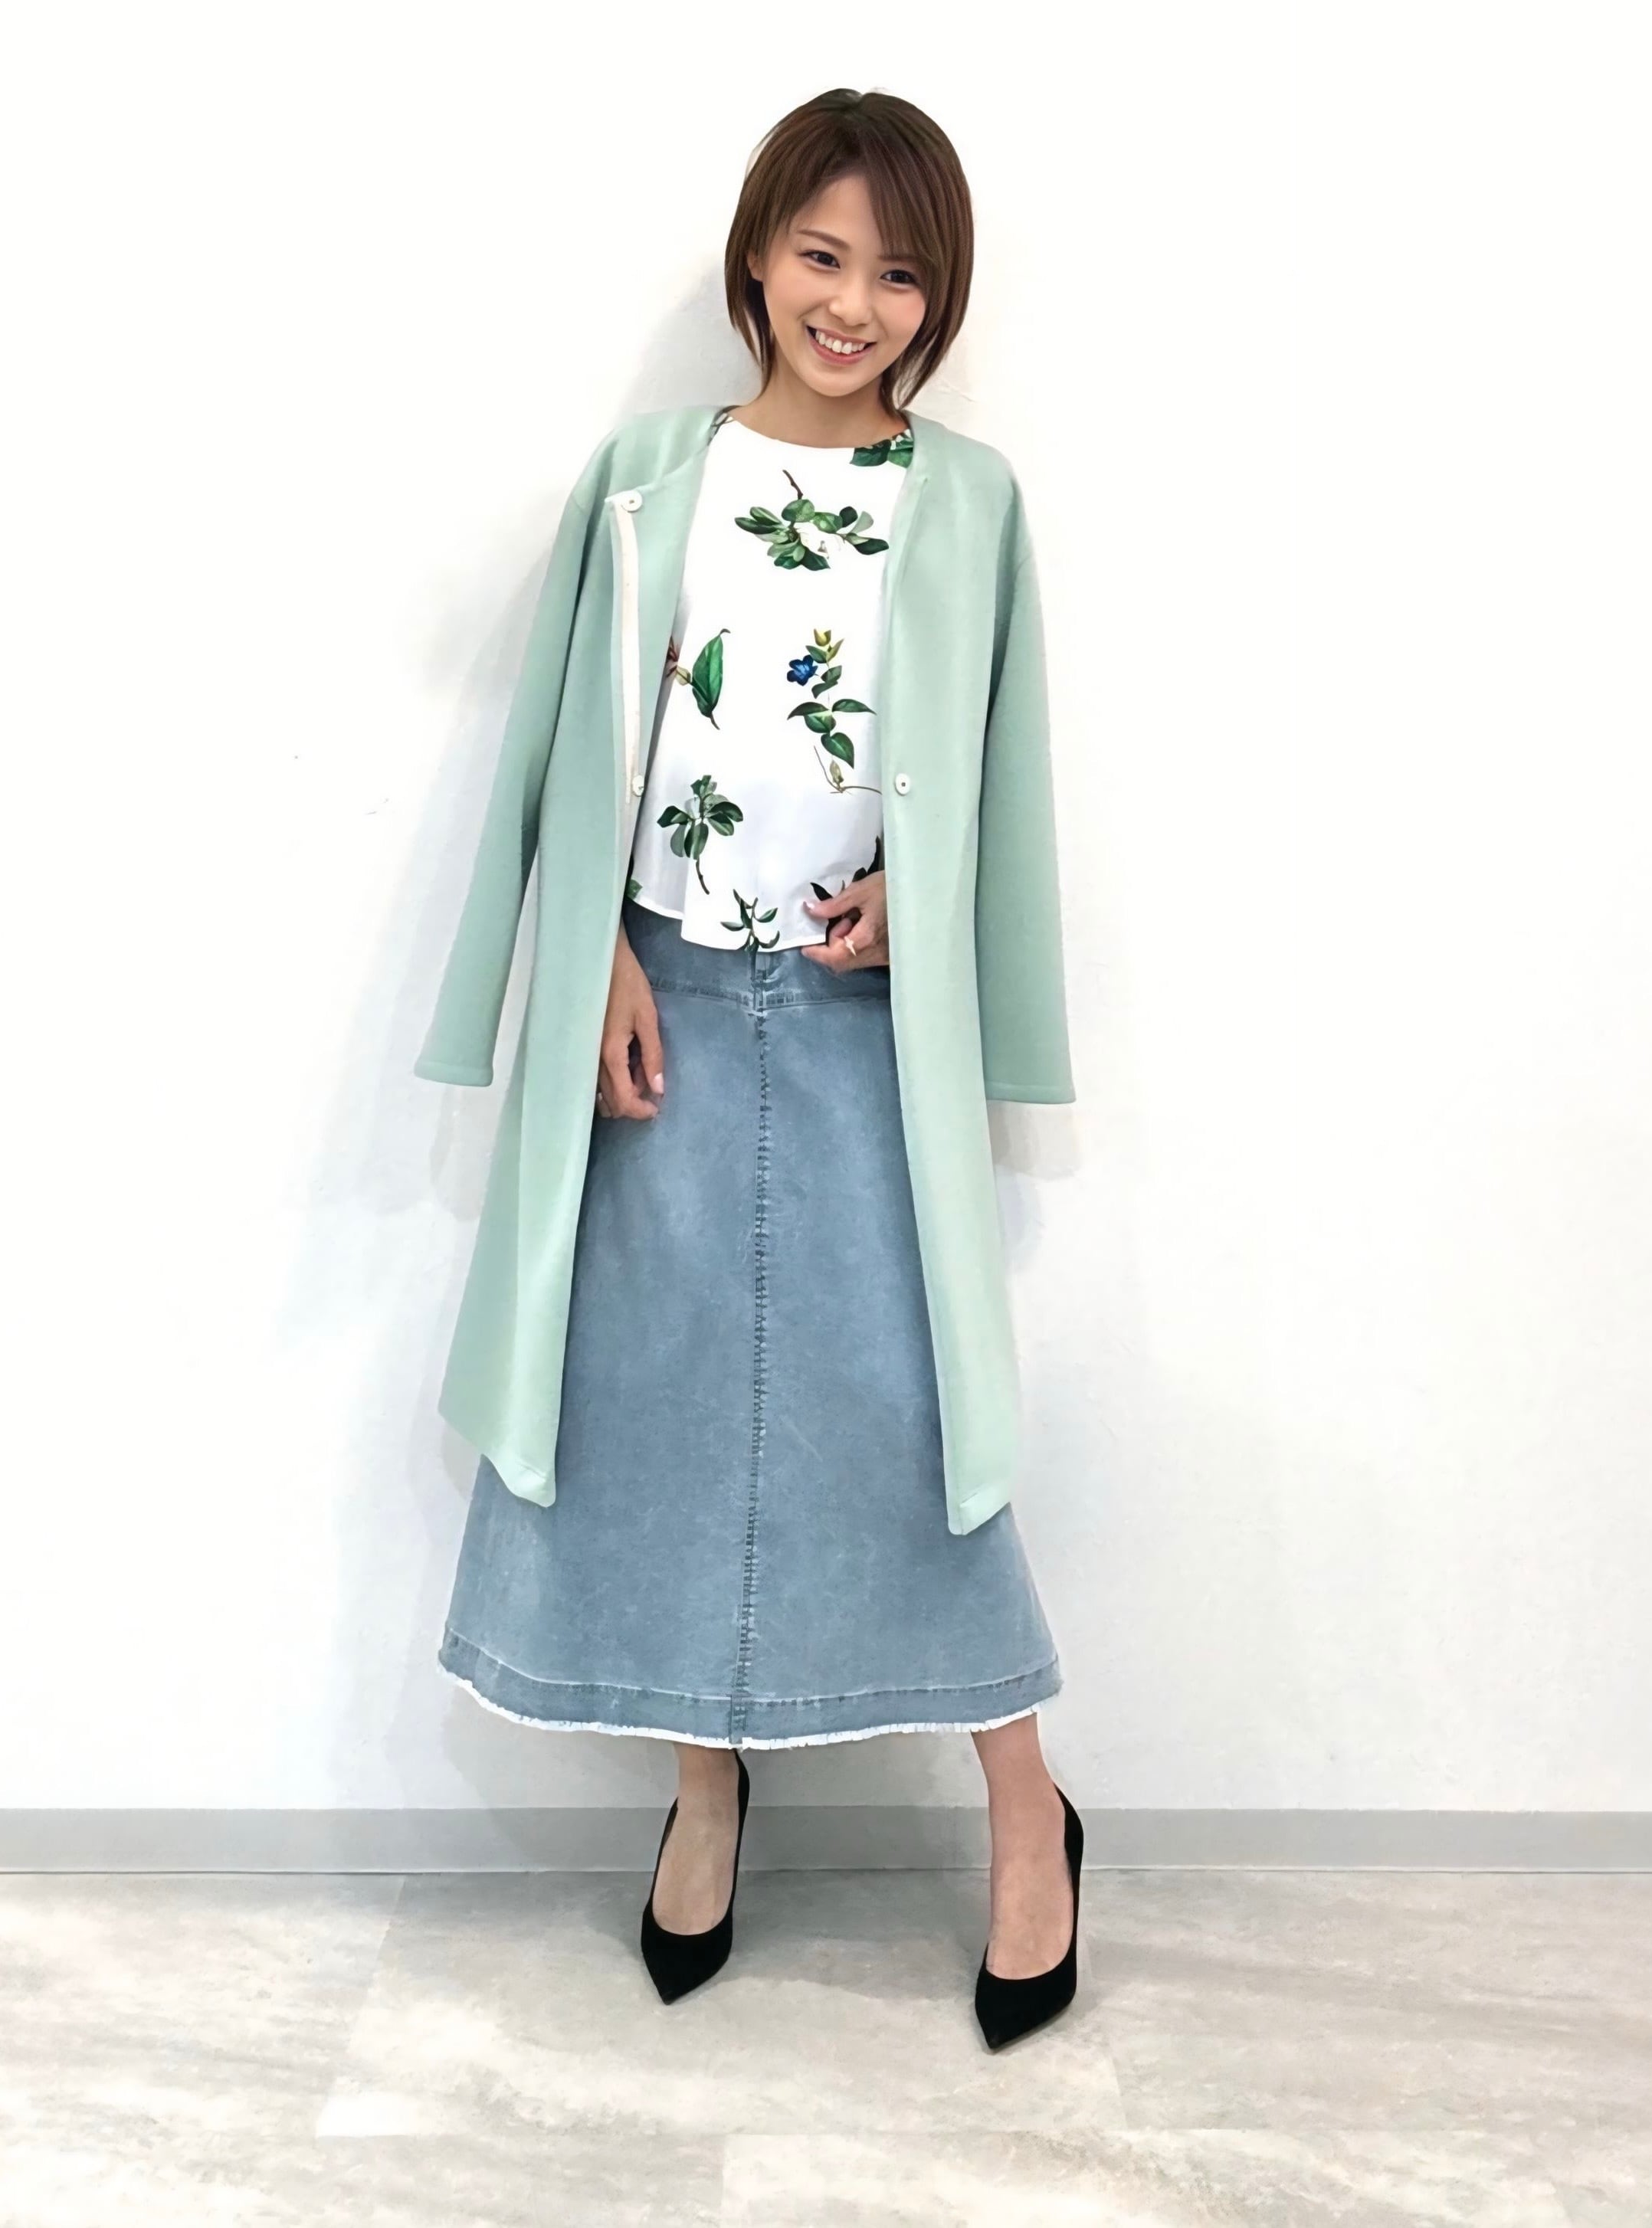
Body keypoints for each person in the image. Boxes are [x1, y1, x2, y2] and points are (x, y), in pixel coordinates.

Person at [415, 87, 1082, 2049]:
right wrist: (598, 954)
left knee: (906, 1423)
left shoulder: (969, 501)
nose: (852, 303)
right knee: (655, 1414)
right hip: (670, 1012)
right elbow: (569, 749)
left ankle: (1026, 1804)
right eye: (821, 254)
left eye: (898, 273)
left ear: (937, 299)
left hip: (867, 1027)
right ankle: (705, 1786)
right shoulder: (650, 476)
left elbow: (989, 777)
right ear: (758, 257)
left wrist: (923, 909)